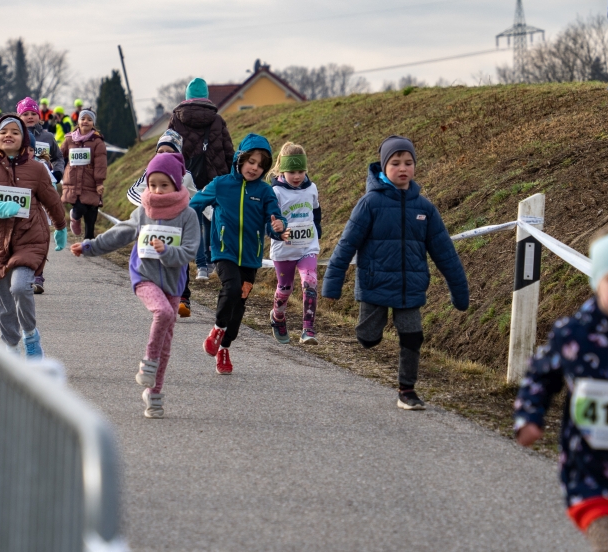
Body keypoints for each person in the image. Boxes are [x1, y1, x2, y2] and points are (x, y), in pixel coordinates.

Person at [515, 225, 608, 552]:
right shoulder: (572, 333)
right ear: (597, 282)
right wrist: (529, 416)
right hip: (592, 477)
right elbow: (540, 376)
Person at [321, 136, 469, 410]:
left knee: (413, 336)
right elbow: (346, 245)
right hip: (375, 285)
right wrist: (332, 284)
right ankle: (369, 336)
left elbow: (445, 253)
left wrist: (459, 291)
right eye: (396, 163)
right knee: (368, 338)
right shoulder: (370, 204)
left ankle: (407, 391)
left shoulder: (424, 209)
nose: (403, 168)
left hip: (410, 287)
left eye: (409, 163)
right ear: (383, 167)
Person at [73, 153, 200, 418]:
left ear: (177, 185)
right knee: (163, 313)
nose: (156, 190)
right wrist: (89, 246)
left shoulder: (188, 215)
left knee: (167, 341)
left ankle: (154, 394)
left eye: (163, 185)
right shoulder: (143, 211)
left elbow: (189, 252)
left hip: (173, 283)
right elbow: (119, 235)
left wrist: (166, 252)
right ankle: (147, 363)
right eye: (152, 184)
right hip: (143, 276)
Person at [190, 133, 287, 375]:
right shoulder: (221, 184)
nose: (254, 168)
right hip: (224, 251)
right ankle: (216, 329)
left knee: (240, 303)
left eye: (260, 165)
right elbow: (194, 205)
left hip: (251, 257)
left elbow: (274, 218)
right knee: (231, 288)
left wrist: (278, 227)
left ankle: (224, 347)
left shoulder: (265, 192)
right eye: (251, 161)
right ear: (240, 159)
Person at [0, 115, 66, 357]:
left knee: (21, 287)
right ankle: (11, 346)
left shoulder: (36, 168)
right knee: (3, 298)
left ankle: (31, 336)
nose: (9, 135)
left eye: (15, 131)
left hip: (30, 238)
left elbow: (51, 199)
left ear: (24, 138)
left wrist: (61, 226)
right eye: (3, 132)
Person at [126, 130, 199, 317]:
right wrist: (147, 205)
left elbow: (197, 197)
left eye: (169, 151)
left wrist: (209, 212)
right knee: (155, 262)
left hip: (177, 225)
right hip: (153, 224)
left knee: (180, 261)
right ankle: (159, 295)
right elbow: (133, 191)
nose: (163, 155)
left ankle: (184, 297)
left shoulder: (186, 175)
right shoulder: (151, 171)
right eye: (160, 151)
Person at [169, 77, 235, 281]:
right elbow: (228, 150)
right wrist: (232, 175)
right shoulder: (216, 120)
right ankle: (211, 260)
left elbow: (169, 147)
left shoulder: (177, 118)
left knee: (193, 219)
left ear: (187, 97)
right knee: (212, 219)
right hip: (214, 177)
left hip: (187, 176)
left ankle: (200, 269)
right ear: (206, 96)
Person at [268, 142, 322, 345]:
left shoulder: (311, 188)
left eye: (301, 171)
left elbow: (316, 210)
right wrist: (276, 232)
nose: (297, 176)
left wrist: (318, 228)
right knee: (285, 288)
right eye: (292, 171)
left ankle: (308, 330)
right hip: (285, 249)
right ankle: (278, 316)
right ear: (282, 169)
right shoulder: (276, 192)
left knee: (310, 283)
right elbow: (269, 221)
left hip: (307, 246)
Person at [17, 97, 68, 292]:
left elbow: (58, 158)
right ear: (19, 117)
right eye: (25, 114)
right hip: (23, 188)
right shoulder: (15, 135)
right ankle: (22, 267)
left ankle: (38, 275)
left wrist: (57, 172)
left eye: (33, 113)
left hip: (45, 187)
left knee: (42, 232)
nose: (30, 117)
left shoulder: (47, 137)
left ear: (39, 116)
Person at [60, 109, 107, 239]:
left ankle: (89, 243)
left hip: (90, 183)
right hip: (73, 182)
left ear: (93, 123)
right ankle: (74, 216)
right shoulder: (69, 139)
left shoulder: (97, 141)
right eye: (83, 118)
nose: (85, 121)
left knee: (92, 212)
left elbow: (100, 163)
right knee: (80, 208)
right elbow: (59, 155)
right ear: (78, 121)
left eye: (89, 119)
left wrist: (99, 182)